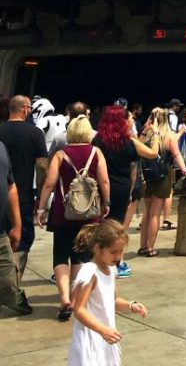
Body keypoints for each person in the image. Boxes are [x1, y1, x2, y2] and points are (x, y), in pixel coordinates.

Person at [37, 113, 111, 320]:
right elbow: (104, 181)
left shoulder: (61, 154)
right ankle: (77, 299)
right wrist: (106, 203)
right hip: (88, 215)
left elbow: (50, 183)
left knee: (60, 256)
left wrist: (41, 208)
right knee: (80, 256)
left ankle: (64, 301)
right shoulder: (96, 152)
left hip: (63, 213)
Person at [68, 219, 148, 366]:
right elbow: (78, 310)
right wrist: (102, 330)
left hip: (105, 338)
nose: (118, 257)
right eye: (113, 252)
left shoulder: (110, 270)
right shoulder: (90, 272)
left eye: (121, 251)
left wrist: (131, 305)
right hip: (90, 340)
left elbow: (112, 301)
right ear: (98, 248)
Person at [93, 106, 161, 278]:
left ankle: (98, 261)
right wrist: (156, 135)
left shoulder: (98, 140)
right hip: (121, 187)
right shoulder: (128, 141)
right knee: (117, 227)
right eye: (129, 117)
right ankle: (118, 262)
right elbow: (152, 154)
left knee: (99, 225)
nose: (132, 120)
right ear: (122, 120)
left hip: (101, 186)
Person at [0, 94, 48, 280]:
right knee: (23, 241)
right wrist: (42, 195)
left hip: (2, 194)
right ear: (25, 109)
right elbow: (42, 167)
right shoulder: (35, 134)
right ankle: (14, 283)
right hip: (23, 197)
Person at [137, 107, 186, 257]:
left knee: (147, 212)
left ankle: (143, 246)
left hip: (146, 176)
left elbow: (137, 146)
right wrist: (185, 171)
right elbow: (176, 155)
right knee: (156, 214)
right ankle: (150, 248)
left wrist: (145, 128)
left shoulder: (147, 135)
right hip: (162, 176)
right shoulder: (168, 135)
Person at [0, 138, 32, 315]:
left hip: (0, 232)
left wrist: (17, 225)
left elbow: (10, 186)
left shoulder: (1, 147)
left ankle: (13, 298)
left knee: (9, 280)